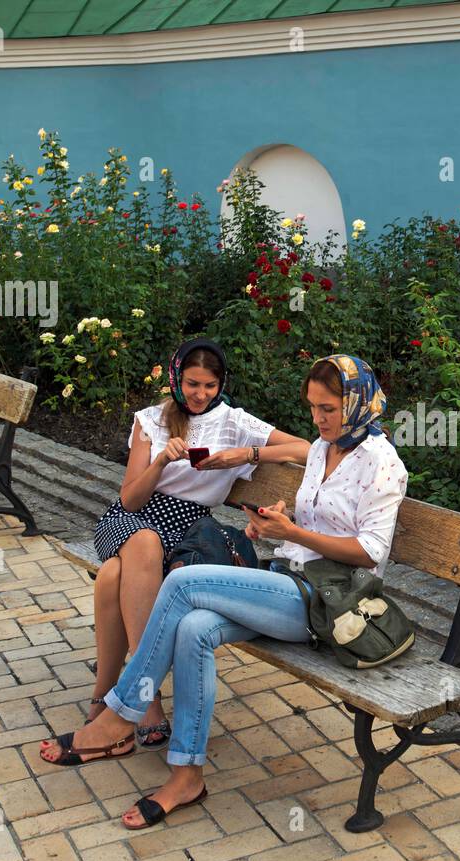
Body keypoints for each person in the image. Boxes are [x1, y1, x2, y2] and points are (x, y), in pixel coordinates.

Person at [40, 354, 408, 830]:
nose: (318, 420)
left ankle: (119, 714)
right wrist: (274, 526)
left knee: (181, 582)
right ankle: (186, 775)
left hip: (330, 604)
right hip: (290, 579)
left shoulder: (382, 462)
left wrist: (293, 534)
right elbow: (312, 524)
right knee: (193, 628)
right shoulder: (323, 447)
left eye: (329, 409)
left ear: (357, 403)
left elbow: (370, 552)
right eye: (314, 408)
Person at [86, 337, 309, 750]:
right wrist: (160, 461)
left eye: (209, 385)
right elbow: (130, 498)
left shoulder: (235, 421)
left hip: (190, 530)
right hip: (134, 519)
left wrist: (245, 455)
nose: (200, 394)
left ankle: (105, 697)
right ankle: (145, 696)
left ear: (220, 383)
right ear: (176, 379)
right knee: (145, 543)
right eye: (192, 384)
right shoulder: (150, 419)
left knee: (111, 576)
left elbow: (307, 448)